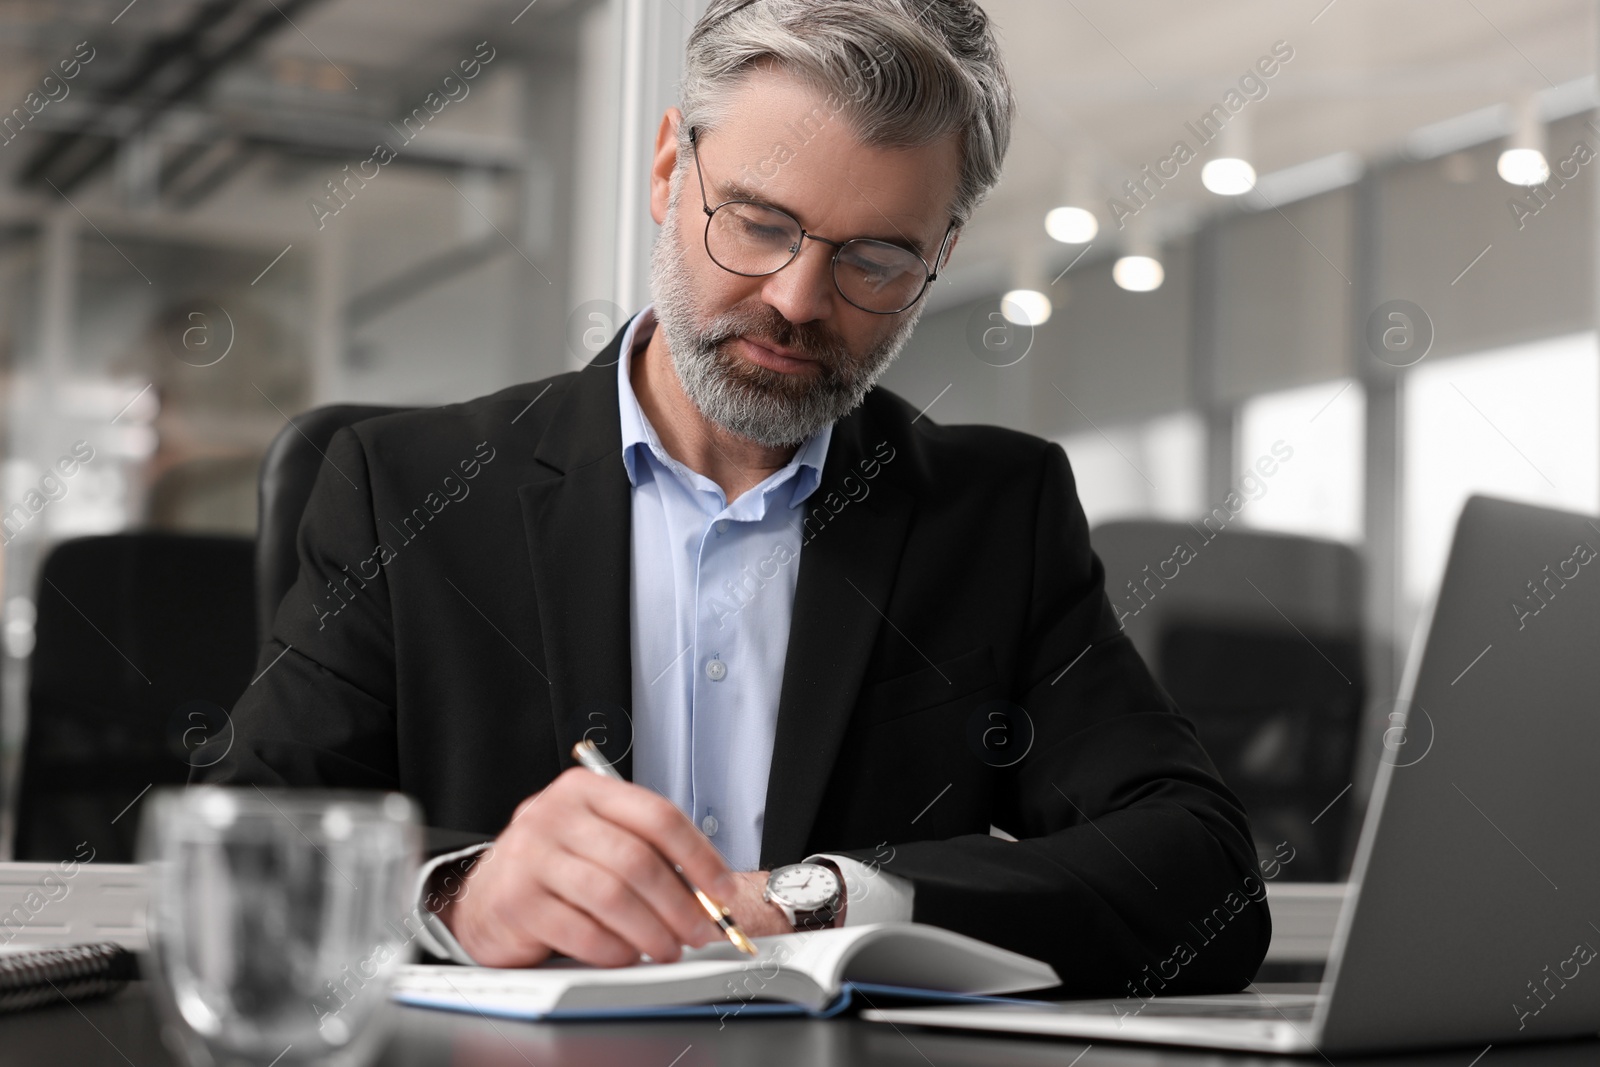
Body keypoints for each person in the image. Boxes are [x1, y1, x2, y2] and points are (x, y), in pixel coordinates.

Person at [202, 0, 1270, 994]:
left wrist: (822, 899)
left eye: (875, 259)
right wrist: (454, 896)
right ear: (670, 170)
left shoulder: (996, 514)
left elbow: (1203, 872)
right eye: (758, 223)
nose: (797, 301)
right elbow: (246, 851)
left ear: (939, 256)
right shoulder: (406, 488)